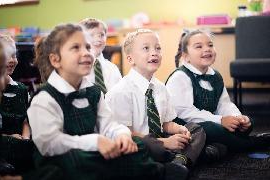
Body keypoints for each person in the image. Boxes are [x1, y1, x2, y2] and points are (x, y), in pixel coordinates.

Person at [28, 23, 163, 180]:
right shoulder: (44, 97)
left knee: (136, 144)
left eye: (87, 47)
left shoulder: (93, 91)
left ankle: (151, 170)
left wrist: (122, 135)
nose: (86, 53)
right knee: (77, 162)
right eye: (76, 48)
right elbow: (50, 144)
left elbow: (109, 125)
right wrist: (95, 141)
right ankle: (153, 170)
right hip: (63, 158)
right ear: (56, 60)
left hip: (94, 151)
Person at [106, 29, 206, 180]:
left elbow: (165, 124)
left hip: (159, 139)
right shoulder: (121, 92)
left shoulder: (160, 88)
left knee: (196, 129)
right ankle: (188, 156)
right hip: (137, 142)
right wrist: (165, 142)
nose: (154, 53)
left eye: (157, 48)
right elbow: (125, 134)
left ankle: (178, 161)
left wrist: (179, 129)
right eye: (146, 48)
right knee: (145, 146)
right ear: (131, 59)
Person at [166, 29, 269, 153]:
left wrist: (237, 118)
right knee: (211, 129)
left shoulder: (215, 76)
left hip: (211, 120)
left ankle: (216, 146)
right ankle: (251, 143)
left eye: (210, 45)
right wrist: (220, 120)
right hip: (186, 126)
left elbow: (224, 104)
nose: (207, 49)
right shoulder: (180, 76)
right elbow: (185, 112)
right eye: (199, 46)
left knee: (248, 123)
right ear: (186, 56)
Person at [0, 34, 33, 174]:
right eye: (7, 56)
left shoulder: (21, 89)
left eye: (14, 55)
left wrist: (25, 139)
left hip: (20, 154)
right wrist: (9, 139)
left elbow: (26, 120)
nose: (12, 60)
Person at [80, 18, 122, 94]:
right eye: (91, 35)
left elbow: (120, 96)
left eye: (101, 35)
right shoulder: (75, 70)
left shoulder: (113, 69)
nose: (98, 39)